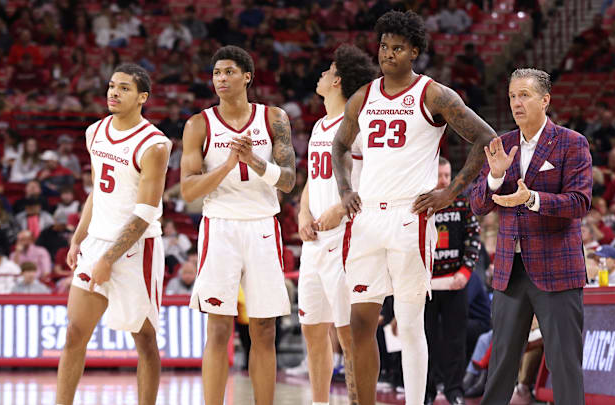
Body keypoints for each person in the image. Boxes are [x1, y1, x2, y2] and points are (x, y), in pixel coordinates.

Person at [331, 11, 496, 405]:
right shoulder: (364, 96)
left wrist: (450, 193)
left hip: (411, 216)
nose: (388, 54)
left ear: (414, 53)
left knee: (409, 324)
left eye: (398, 48)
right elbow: (340, 145)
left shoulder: (433, 94)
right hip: (368, 214)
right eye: (384, 46)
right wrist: (343, 190)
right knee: (360, 324)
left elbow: (485, 138)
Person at [180, 45, 296, 405]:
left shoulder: (273, 117)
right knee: (218, 328)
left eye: (229, 71)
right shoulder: (198, 124)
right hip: (220, 226)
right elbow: (187, 190)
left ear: (247, 76)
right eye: (216, 73)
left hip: (262, 225)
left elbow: (289, 181)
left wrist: (255, 163)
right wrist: (229, 163)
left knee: (264, 328)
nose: (221, 79)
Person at [470, 68, 592, 405]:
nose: (516, 102)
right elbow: (478, 205)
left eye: (524, 95)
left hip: (557, 269)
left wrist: (532, 198)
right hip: (510, 271)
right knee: (500, 365)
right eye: (512, 96)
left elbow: (579, 203)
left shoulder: (572, 142)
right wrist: (494, 178)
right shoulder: (502, 145)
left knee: (565, 365)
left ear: (545, 100)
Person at [56, 63, 171, 405]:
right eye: (111, 86)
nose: (113, 93)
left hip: (138, 249)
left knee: (145, 340)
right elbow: (97, 191)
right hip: (97, 243)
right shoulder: (95, 131)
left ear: (142, 98)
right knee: (75, 333)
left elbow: (145, 213)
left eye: (123, 88)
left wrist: (109, 258)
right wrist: (79, 237)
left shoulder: (155, 144)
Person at [297, 44, 376, 405]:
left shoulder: (357, 128)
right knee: (313, 330)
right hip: (313, 241)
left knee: (348, 336)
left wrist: (340, 210)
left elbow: (371, 182)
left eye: (327, 70)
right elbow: (314, 179)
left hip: (345, 239)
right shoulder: (318, 125)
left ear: (338, 80)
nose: (321, 75)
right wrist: (302, 213)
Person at [425, 158, 481, 405]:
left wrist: (465, 273)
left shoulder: (462, 201)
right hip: (424, 286)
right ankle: (425, 392)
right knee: (424, 340)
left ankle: (454, 390)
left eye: (448, 175)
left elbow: (474, 238)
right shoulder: (420, 201)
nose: (444, 180)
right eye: (440, 175)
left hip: (455, 282)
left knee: (455, 340)